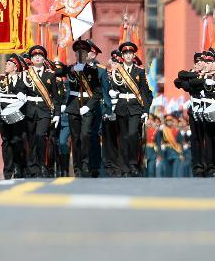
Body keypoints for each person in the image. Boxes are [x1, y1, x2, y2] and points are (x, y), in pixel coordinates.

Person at [58, 39, 103, 177]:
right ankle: (77, 167)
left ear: (87, 54)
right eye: (78, 53)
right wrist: (67, 69)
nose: (80, 55)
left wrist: (88, 107)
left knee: (85, 135)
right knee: (75, 138)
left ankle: (85, 163)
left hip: (87, 106)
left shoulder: (93, 70)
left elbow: (98, 92)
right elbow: (58, 72)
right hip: (73, 107)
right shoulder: (71, 68)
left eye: (83, 52)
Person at [108, 42, 153, 177]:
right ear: (122, 56)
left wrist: (146, 111)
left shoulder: (140, 71)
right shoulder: (117, 71)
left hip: (135, 107)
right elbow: (113, 87)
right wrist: (112, 92)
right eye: (125, 53)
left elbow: (144, 92)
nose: (128, 55)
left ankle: (133, 164)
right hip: (121, 106)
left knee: (133, 134)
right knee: (123, 137)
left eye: (130, 53)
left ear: (133, 56)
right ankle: (124, 167)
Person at [22, 45, 60, 178]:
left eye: (40, 56)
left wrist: (57, 114)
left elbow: (55, 96)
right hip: (29, 109)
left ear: (44, 58)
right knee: (30, 139)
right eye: (34, 56)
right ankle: (32, 167)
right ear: (31, 59)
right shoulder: (26, 74)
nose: (37, 58)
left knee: (40, 136)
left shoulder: (50, 75)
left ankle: (42, 165)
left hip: (44, 110)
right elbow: (20, 90)